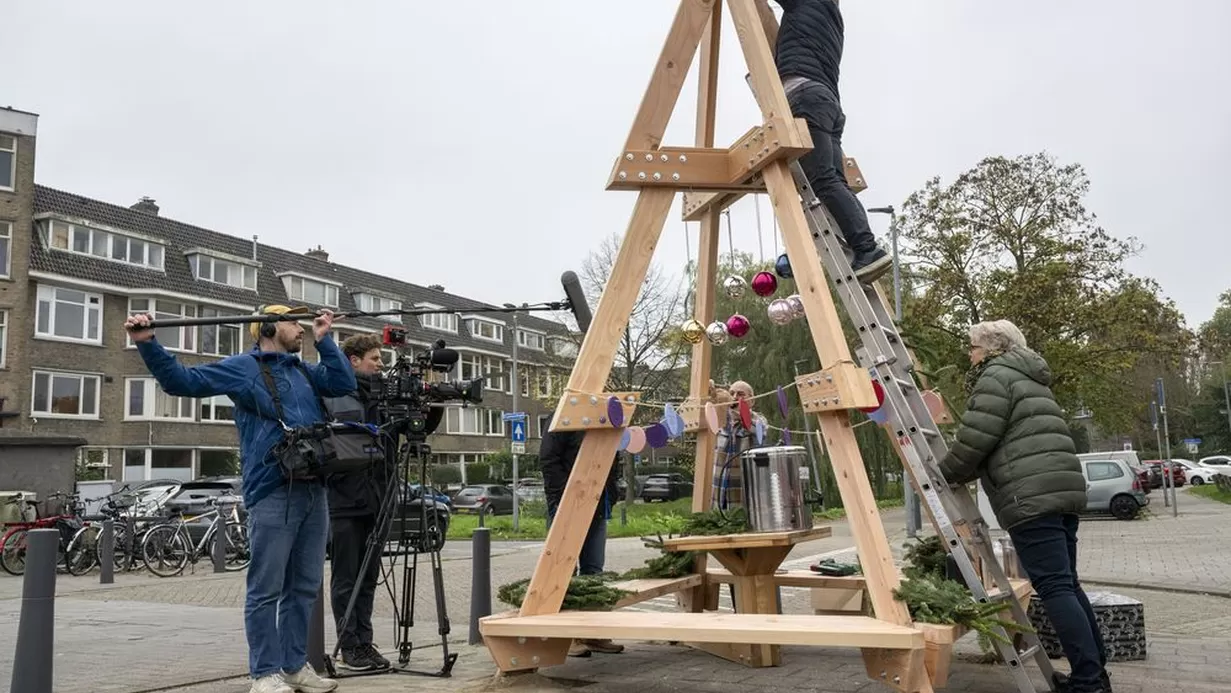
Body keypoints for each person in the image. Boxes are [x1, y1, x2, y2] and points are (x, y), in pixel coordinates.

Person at [126, 304, 355, 693]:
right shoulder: (243, 368)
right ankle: (264, 674)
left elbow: (343, 383)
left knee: (304, 586)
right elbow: (182, 381)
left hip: (313, 489)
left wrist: (325, 339)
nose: (300, 328)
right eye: (292, 321)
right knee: (266, 589)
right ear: (267, 328)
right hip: (273, 490)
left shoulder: (302, 370)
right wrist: (147, 342)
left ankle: (294, 667)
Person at [938, 320, 1111, 693]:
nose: (969, 355)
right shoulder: (1031, 378)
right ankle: (1095, 675)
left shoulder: (995, 377)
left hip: (1030, 496)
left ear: (992, 348)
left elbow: (975, 439)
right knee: (1067, 584)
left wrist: (943, 473)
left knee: (1054, 587)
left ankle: (1089, 683)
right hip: (1060, 490)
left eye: (973, 347)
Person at [323, 334, 443, 672]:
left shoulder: (388, 396)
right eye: (374, 358)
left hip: (380, 497)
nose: (380, 364)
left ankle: (364, 642)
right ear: (353, 360)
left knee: (370, 576)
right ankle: (349, 647)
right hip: (345, 500)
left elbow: (420, 427)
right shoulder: (333, 394)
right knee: (347, 577)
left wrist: (431, 396)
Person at [772, 0, 892, 283]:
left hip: (805, 97)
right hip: (826, 103)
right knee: (833, 179)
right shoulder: (832, 14)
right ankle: (864, 248)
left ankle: (866, 247)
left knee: (824, 179)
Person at [540, 417, 623, 658]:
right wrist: (566, 497)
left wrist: (611, 492)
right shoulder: (563, 417)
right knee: (563, 571)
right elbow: (548, 459)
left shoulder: (605, 419)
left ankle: (592, 633)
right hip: (568, 504)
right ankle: (567, 636)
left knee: (594, 570)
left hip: (598, 504)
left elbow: (612, 457)